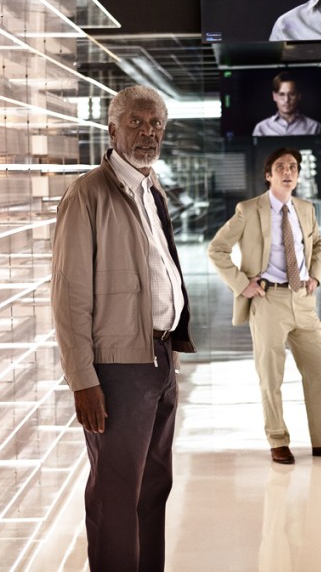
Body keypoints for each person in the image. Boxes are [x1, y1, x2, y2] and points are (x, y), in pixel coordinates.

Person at [50, 85, 196, 571]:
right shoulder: (87, 194)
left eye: (156, 124)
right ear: (112, 130)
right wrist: (83, 380)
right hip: (117, 369)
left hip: (160, 359)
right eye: (136, 122)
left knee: (154, 487)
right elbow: (68, 297)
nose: (148, 132)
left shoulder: (153, 191)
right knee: (116, 494)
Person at [208, 147, 321, 464]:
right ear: (269, 175)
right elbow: (217, 249)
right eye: (280, 167)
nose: (287, 172)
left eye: (293, 166)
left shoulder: (305, 209)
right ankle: (278, 440)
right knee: (271, 374)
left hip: (303, 300)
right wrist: (243, 284)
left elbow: (318, 244)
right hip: (268, 301)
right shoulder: (248, 210)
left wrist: (315, 278)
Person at [252, 72, 321, 137]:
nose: (286, 100)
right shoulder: (262, 128)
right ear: (274, 96)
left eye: (291, 94)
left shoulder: (314, 127)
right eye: (282, 94)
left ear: (298, 96)